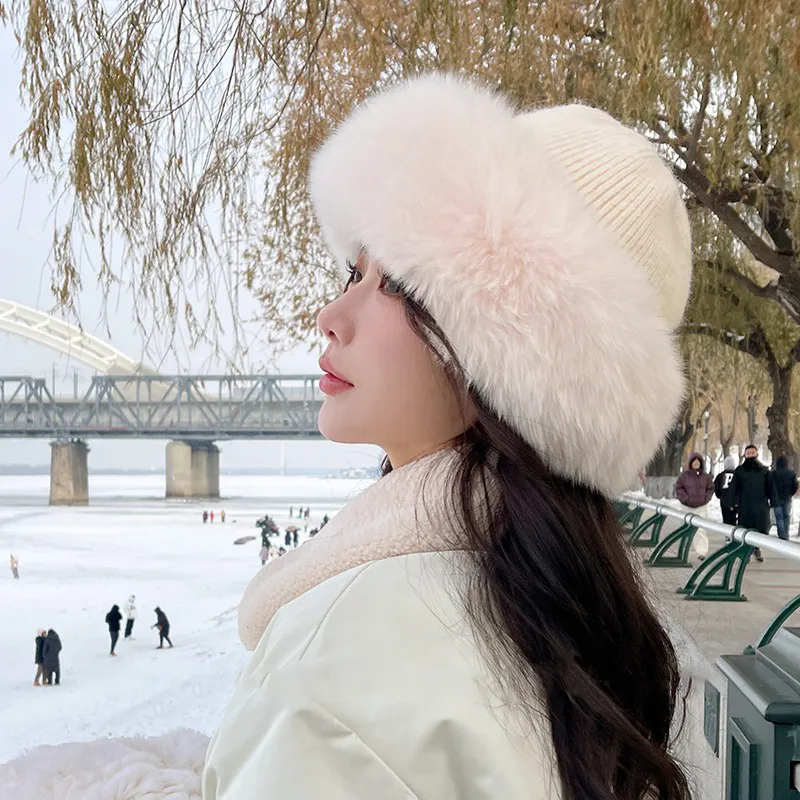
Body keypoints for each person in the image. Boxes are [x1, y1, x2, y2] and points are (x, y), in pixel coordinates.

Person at [203, 75, 695, 799]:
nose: (332, 315)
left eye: (397, 282)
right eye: (352, 270)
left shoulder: (337, 673)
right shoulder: (564, 618)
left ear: (516, 349)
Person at [732, 445, 777, 562]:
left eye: (753, 453)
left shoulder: (764, 470)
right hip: (745, 506)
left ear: (756, 454)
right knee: (745, 530)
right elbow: (734, 488)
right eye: (748, 453)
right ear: (745, 455)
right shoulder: (740, 471)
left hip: (760, 506)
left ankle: (756, 548)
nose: (751, 455)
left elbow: (771, 488)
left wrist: (773, 501)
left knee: (760, 529)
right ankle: (746, 552)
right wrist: (732, 502)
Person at [674, 452, 714, 557]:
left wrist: (706, 498)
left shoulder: (706, 477)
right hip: (687, 507)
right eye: (694, 461)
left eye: (698, 461)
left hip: (701, 507)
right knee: (686, 529)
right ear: (690, 463)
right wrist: (686, 499)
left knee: (701, 530)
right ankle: (683, 552)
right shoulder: (684, 476)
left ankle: (701, 551)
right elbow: (678, 489)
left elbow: (710, 488)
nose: (696, 463)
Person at [772, 456, 798, 541]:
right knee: (786, 516)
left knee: (779, 518)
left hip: (777, 499)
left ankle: (782, 535)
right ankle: (786, 535)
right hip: (787, 498)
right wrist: (791, 493)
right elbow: (795, 486)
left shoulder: (774, 474)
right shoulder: (791, 473)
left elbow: (771, 487)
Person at [714, 455, 738, 526]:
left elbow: (717, 490)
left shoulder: (720, 476)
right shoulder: (738, 475)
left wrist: (720, 495)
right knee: (735, 521)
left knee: (726, 521)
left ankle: (728, 536)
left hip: (725, 502)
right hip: (736, 502)